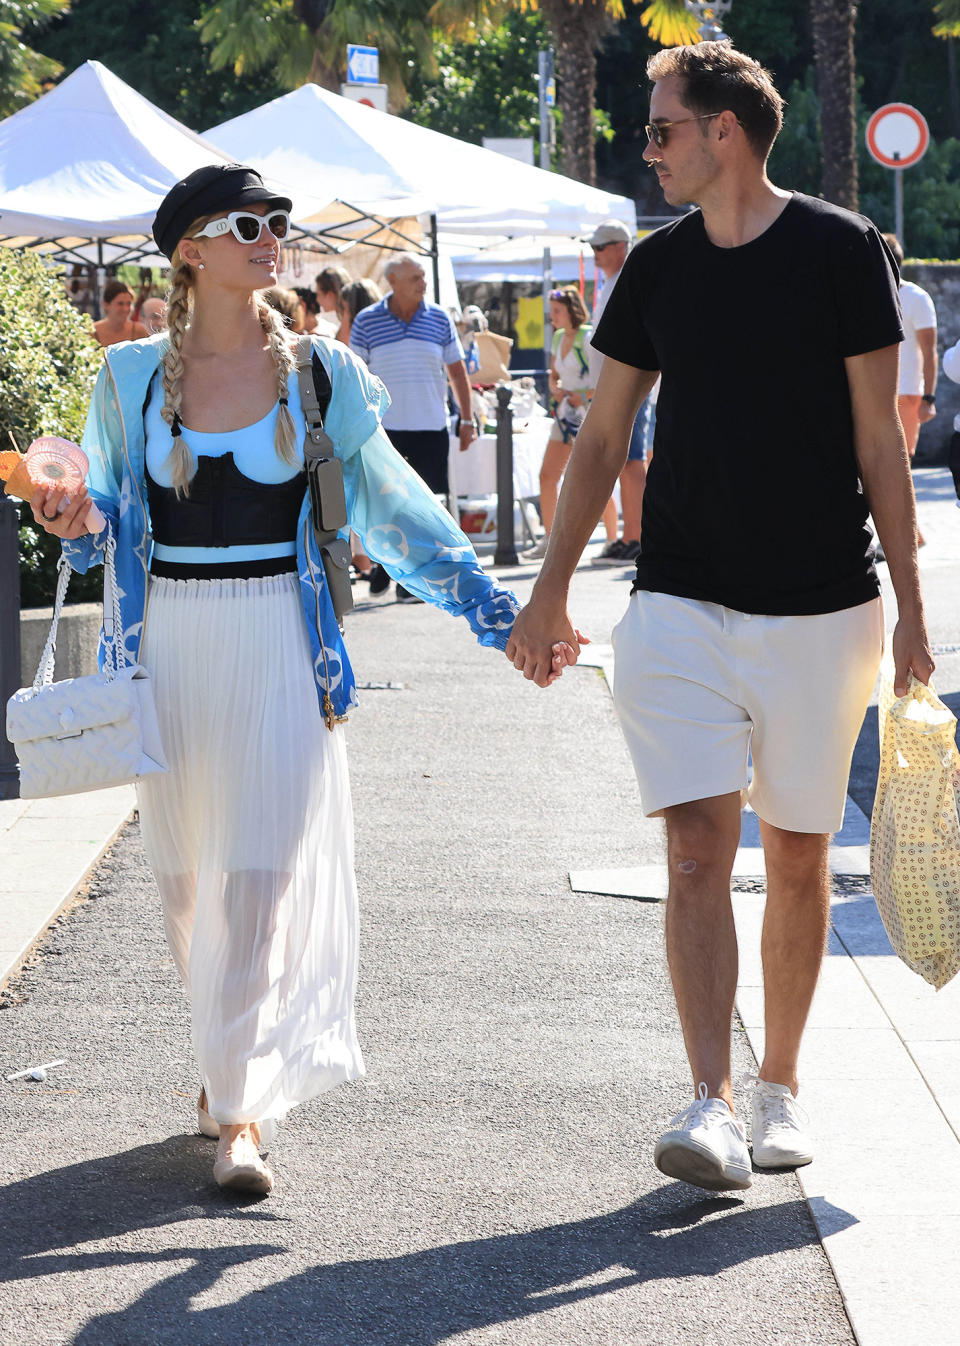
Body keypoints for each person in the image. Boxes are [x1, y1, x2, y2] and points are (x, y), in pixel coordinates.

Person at [31, 162, 522, 1198]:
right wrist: (71, 514)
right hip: (168, 646)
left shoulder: (323, 372)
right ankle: (225, 1069)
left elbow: (391, 503)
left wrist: (495, 612)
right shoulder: (124, 380)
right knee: (184, 886)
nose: (270, 237)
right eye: (245, 223)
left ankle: (242, 1110)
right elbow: (103, 517)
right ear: (192, 252)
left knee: (258, 878)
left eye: (278, 222)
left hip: (279, 644)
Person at [506, 41, 933, 1193]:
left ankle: (781, 1084)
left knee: (797, 856)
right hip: (681, 601)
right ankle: (711, 1098)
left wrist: (911, 606)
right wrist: (549, 587)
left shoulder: (843, 250)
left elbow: (879, 438)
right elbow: (600, 437)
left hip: (823, 604)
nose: (647, 151)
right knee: (698, 852)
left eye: (659, 131)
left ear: (724, 132)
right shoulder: (655, 268)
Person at [349, 252, 478, 600]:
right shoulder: (366, 321)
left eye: (423, 277)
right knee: (384, 504)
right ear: (392, 282)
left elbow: (457, 372)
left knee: (425, 505)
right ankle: (381, 565)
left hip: (430, 426)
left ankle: (411, 580)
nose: (423, 284)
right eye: (415, 278)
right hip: (382, 430)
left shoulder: (439, 318)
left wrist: (467, 417)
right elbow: (354, 376)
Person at [522, 286, 617, 562]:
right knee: (547, 475)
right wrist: (555, 387)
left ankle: (612, 539)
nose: (552, 317)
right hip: (564, 414)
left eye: (556, 312)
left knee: (594, 478)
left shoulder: (588, 337)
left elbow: (604, 377)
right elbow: (554, 373)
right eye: (551, 312)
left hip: (586, 414)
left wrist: (582, 395)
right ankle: (549, 538)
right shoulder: (559, 337)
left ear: (571, 311)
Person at [586, 220, 649, 568]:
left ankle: (636, 536)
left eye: (599, 247)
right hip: (614, 387)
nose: (594, 254)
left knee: (631, 462)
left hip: (629, 386)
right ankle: (630, 535)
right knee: (624, 462)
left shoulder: (626, 279)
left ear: (619, 246)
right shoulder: (610, 282)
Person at [883, 234, 935, 546]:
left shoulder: (918, 298)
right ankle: (908, 533)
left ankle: (907, 534)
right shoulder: (866, 293)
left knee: (898, 466)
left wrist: (928, 398)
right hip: (872, 391)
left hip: (906, 395)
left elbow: (930, 353)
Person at [93, 279, 149, 347]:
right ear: (106, 305)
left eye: (128, 304)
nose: (125, 309)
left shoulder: (139, 331)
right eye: (120, 304)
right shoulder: (92, 332)